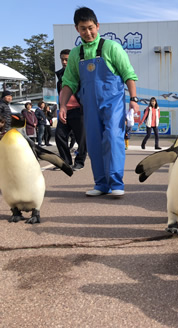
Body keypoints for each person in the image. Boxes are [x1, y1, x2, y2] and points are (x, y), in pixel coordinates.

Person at [59, 7, 139, 197]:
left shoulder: (111, 47)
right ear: (76, 29)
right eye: (83, 29)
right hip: (90, 105)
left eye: (90, 27)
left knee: (113, 138)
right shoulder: (75, 54)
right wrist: (62, 105)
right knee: (93, 142)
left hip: (113, 103)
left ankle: (116, 183)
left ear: (97, 25)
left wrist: (134, 99)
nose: (88, 32)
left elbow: (128, 74)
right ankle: (101, 184)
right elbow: (68, 82)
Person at [55, 48, 87, 171]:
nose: (64, 62)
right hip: (65, 111)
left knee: (81, 138)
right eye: (62, 59)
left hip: (78, 110)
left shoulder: (79, 73)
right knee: (59, 135)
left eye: (67, 60)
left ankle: (79, 162)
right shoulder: (60, 75)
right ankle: (66, 161)